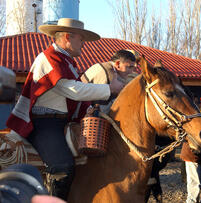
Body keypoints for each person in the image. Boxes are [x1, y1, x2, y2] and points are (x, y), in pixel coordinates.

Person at [6, 18, 124, 200]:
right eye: (81, 38)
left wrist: (88, 110)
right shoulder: (49, 58)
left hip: (61, 120)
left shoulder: (64, 60)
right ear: (68, 37)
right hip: (44, 123)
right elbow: (73, 90)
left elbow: (72, 95)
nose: (83, 43)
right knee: (63, 167)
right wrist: (110, 88)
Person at [80, 49, 136, 113]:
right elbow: (101, 109)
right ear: (118, 64)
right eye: (129, 67)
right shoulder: (107, 73)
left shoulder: (110, 70)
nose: (131, 71)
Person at [179, 103, 201, 203]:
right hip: (192, 156)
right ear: (199, 112)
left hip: (199, 157)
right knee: (195, 184)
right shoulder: (195, 123)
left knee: (198, 183)